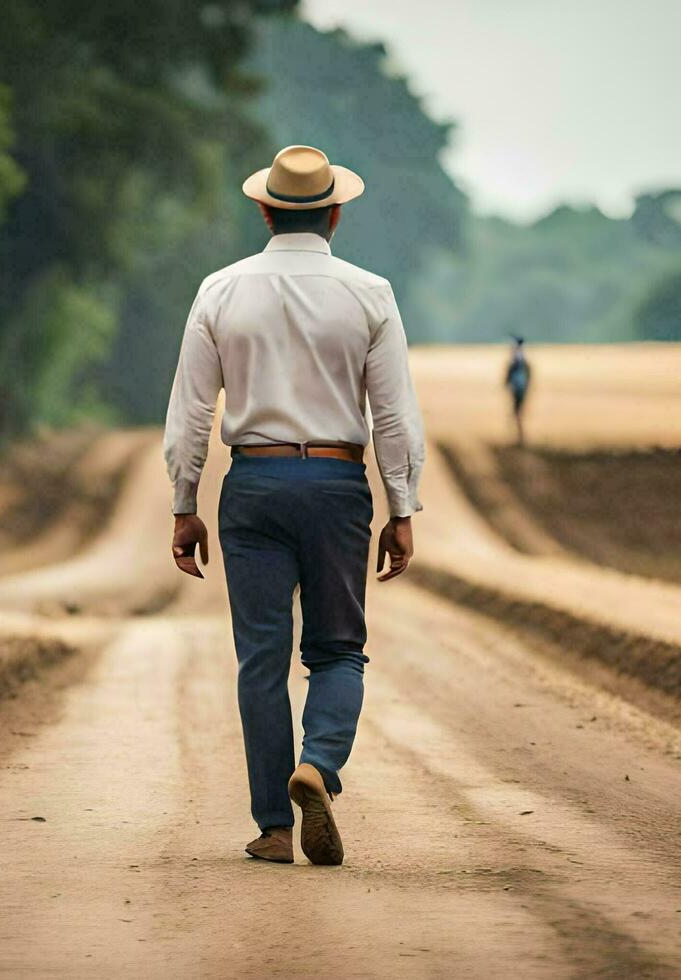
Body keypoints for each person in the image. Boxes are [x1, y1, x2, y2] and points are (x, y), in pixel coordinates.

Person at [162, 145, 425, 866]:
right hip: (338, 486)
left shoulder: (220, 289)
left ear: (264, 209)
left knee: (261, 658)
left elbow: (189, 410)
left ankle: (274, 826)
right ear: (336, 212)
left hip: (252, 485)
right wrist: (402, 507)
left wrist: (184, 501)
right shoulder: (370, 293)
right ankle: (320, 764)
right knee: (338, 648)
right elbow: (395, 414)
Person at [504, 334, 531, 446]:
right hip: (522, 387)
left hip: (518, 387)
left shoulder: (516, 358)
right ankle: (518, 436)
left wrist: (507, 382)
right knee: (517, 412)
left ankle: (519, 436)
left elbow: (509, 372)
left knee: (516, 412)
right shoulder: (523, 358)